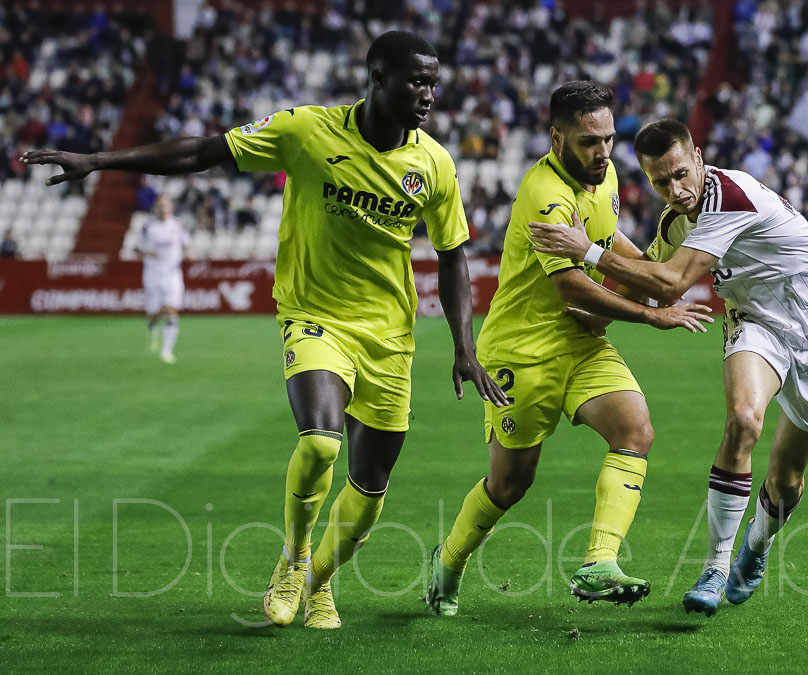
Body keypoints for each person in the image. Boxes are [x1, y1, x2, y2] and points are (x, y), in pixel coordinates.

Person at [22, 30, 510, 629]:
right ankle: (293, 557)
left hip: (389, 335)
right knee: (320, 441)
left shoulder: (434, 163)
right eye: (417, 81)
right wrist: (99, 162)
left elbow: (454, 254)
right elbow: (203, 152)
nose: (428, 93)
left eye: (434, 82)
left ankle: (319, 585)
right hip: (313, 315)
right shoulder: (305, 131)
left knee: (370, 486)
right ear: (378, 78)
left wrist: (465, 345)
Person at [529, 119, 808, 617]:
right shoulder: (673, 223)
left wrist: (588, 251)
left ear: (698, 157)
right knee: (744, 420)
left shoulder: (731, 195)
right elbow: (649, 283)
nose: (676, 190)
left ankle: (757, 545)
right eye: (660, 181)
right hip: (757, 321)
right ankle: (716, 567)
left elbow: (672, 281)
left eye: (681, 174)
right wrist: (596, 319)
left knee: (787, 479)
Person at [424, 83, 713, 617]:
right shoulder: (543, 193)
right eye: (588, 141)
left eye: (607, 138)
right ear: (557, 138)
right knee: (510, 485)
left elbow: (607, 242)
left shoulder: (603, 179)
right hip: (521, 350)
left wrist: (649, 271)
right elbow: (573, 286)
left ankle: (599, 563)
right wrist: (653, 311)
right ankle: (448, 561)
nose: (603, 151)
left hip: (580, 341)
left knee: (635, 429)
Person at [134, 194, 190, 364]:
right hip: (153, 275)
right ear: (156, 208)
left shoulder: (177, 225)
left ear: (171, 207)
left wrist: (188, 254)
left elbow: (187, 244)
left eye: (166, 204)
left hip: (173, 275)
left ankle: (167, 351)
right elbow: (135, 249)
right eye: (160, 205)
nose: (163, 208)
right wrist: (148, 253)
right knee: (154, 313)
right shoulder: (148, 227)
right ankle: (153, 327)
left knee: (172, 310)